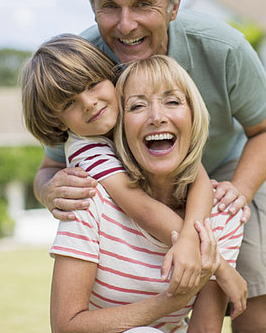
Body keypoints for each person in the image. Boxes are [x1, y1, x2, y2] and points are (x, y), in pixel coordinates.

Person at [34, 0, 266, 332]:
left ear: (173, 6)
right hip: (130, 176)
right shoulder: (82, 70)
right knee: (136, 283)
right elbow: (50, 166)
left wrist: (240, 191)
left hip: (221, 166)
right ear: (94, 9)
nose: (126, 23)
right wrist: (49, 190)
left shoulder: (224, 48)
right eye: (109, 7)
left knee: (254, 287)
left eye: (143, 3)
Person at [20, 34, 247, 318]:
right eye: (69, 104)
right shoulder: (87, 149)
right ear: (56, 120)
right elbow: (141, 208)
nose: (89, 103)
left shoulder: (129, 122)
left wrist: (195, 235)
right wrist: (218, 267)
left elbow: (196, 174)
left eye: (92, 85)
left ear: (110, 77)